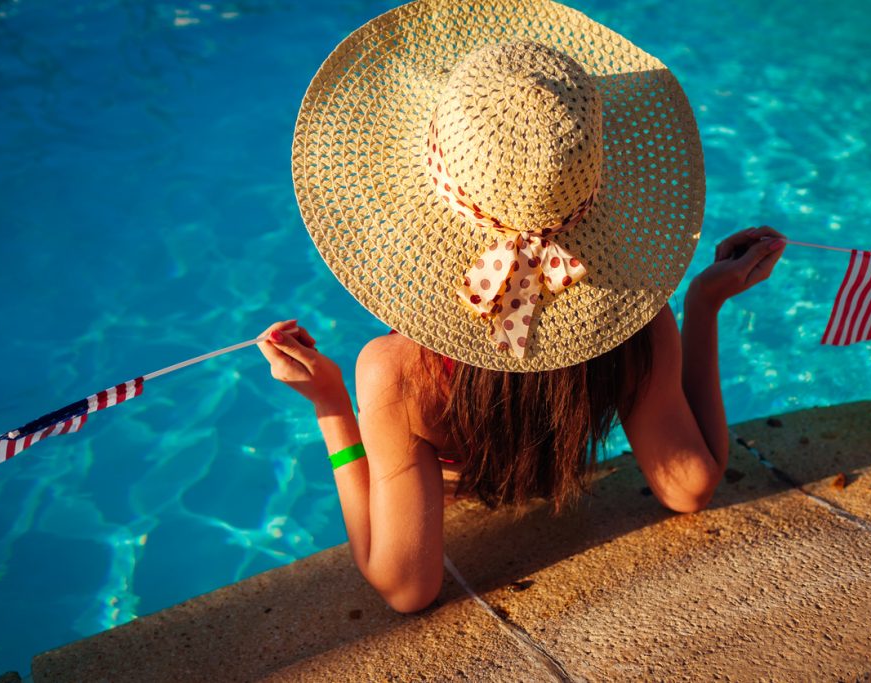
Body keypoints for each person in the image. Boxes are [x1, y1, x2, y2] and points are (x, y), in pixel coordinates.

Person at [257, 4, 787, 613]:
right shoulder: (636, 316)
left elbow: (406, 587)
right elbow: (689, 486)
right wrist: (703, 304)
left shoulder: (397, 371)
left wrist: (330, 407)